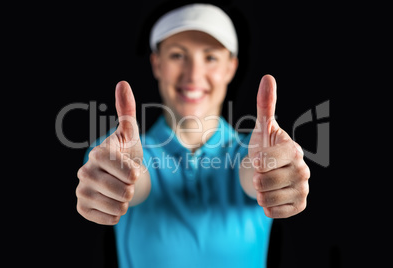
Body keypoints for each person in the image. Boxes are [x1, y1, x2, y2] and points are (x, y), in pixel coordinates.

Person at [76, 3, 310, 268]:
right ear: (157, 64)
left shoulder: (250, 151)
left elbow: (252, 172)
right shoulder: (120, 152)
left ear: (230, 68)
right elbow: (135, 180)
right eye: (177, 55)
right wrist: (118, 182)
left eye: (210, 57)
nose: (193, 75)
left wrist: (275, 172)